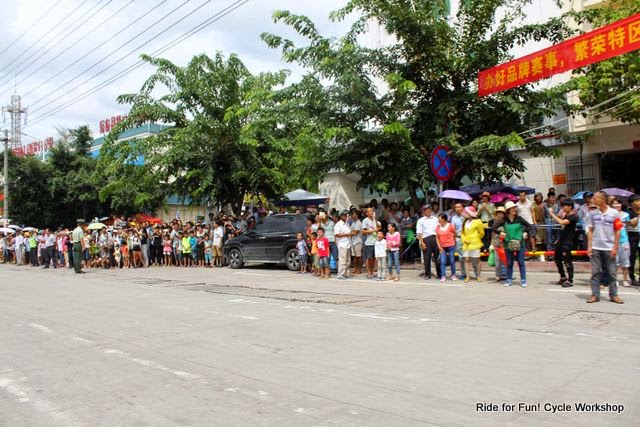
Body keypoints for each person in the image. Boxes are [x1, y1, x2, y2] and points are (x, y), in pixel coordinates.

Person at [586, 191, 624, 304]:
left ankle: (614, 295)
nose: (593, 200)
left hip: (609, 247)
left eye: (595, 198)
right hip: (596, 247)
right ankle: (595, 295)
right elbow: (590, 230)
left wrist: (615, 247)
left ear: (602, 199)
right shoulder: (593, 214)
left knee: (612, 272)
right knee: (595, 272)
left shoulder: (614, 213)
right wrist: (589, 246)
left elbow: (618, 231)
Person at [502, 201, 532, 287]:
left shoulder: (519, 218)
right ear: (508, 210)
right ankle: (509, 279)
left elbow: (529, 226)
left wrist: (524, 231)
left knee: (521, 262)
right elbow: (493, 227)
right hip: (508, 244)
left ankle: (523, 280)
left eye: (514, 208)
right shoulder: (504, 220)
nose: (514, 209)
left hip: (520, 243)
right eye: (512, 208)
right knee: (509, 263)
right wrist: (500, 232)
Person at [549, 200, 578, 287]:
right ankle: (563, 277)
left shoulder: (574, 217)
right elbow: (563, 227)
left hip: (567, 242)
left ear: (570, 207)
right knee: (557, 259)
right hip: (561, 240)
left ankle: (570, 280)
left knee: (567, 261)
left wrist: (552, 214)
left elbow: (562, 222)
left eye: (565, 206)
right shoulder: (566, 215)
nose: (563, 208)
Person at [460, 206, 484, 283]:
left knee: (477, 260)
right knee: (466, 259)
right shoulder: (464, 222)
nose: (464, 214)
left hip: (475, 243)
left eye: (466, 212)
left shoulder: (478, 221)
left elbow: (482, 233)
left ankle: (478, 276)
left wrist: (475, 238)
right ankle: (468, 276)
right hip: (466, 244)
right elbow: (462, 233)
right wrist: (464, 240)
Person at [417, 205, 440, 280]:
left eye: (430, 209)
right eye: (426, 210)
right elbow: (419, 232)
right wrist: (422, 242)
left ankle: (439, 273)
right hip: (426, 239)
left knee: (437, 257)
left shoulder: (435, 219)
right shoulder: (420, 220)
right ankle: (427, 274)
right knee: (427, 258)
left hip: (435, 238)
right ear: (423, 211)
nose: (428, 211)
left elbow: (438, 229)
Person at [612, 199, 631, 287]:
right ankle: (614, 280)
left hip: (624, 240)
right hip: (613, 240)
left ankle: (625, 279)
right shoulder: (610, 215)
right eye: (615, 203)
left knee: (625, 261)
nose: (617, 205)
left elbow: (628, 227)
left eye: (618, 203)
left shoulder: (626, 215)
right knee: (614, 262)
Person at [435, 213, 457, 282]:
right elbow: (437, 238)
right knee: (442, 261)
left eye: (440, 219)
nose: (438, 220)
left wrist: (454, 242)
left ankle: (453, 274)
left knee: (452, 260)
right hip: (442, 247)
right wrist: (439, 246)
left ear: (444, 219)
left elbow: (455, 234)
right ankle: (443, 275)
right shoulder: (438, 227)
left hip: (451, 246)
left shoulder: (450, 226)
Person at [489, 207, 507, 282]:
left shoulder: (506, 222)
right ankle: (498, 275)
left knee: (505, 260)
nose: (500, 215)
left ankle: (506, 274)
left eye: (501, 213)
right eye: (498, 213)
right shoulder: (494, 223)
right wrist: (491, 244)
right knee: (497, 261)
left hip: (505, 244)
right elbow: (492, 234)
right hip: (496, 243)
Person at [334, 210, 352, 280]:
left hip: (348, 244)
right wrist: (347, 234)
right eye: (344, 215)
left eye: (346, 215)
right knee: (342, 260)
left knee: (348, 260)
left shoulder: (347, 224)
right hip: (342, 244)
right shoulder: (338, 225)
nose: (346, 216)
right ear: (341, 216)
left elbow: (349, 232)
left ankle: (346, 273)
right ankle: (340, 274)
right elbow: (336, 234)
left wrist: (351, 233)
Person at [361, 208, 379, 280]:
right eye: (370, 211)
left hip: (375, 241)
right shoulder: (365, 221)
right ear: (367, 213)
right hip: (369, 242)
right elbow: (363, 231)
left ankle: (372, 272)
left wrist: (375, 219)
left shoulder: (374, 219)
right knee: (369, 258)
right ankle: (369, 272)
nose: (372, 212)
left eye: (372, 211)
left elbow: (378, 227)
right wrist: (373, 231)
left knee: (374, 258)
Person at [627, 194, 640, 286]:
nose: (639, 202)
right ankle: (632, 278)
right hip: (632, 236)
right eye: (637, 201)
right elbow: (633, 224)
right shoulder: (628, 213)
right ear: (632, 203)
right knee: (632, 257)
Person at [532, 192, 546, 260]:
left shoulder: (544, 204)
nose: (538, 198)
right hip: (537, 222)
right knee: (538, 239)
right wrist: (535, 222)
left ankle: (545, 254)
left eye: (539, 196)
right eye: (537, 196)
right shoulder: (533, 205)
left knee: (545, 239)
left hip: (545, 222)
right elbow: (533, 213)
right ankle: (540, 254)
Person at [350, 211, 363, 275]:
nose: (352, 215)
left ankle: (359, 269)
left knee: (359, 256)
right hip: (353, 241)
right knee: (354, 256)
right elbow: (351, 231)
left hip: (358, 241)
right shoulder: (353, 223)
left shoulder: (359, 222)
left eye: (354, 214)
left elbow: (356, 232)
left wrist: (352, 232)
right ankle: (355, 268)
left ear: (357, 215)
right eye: (352, 214)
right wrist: (352, 231)